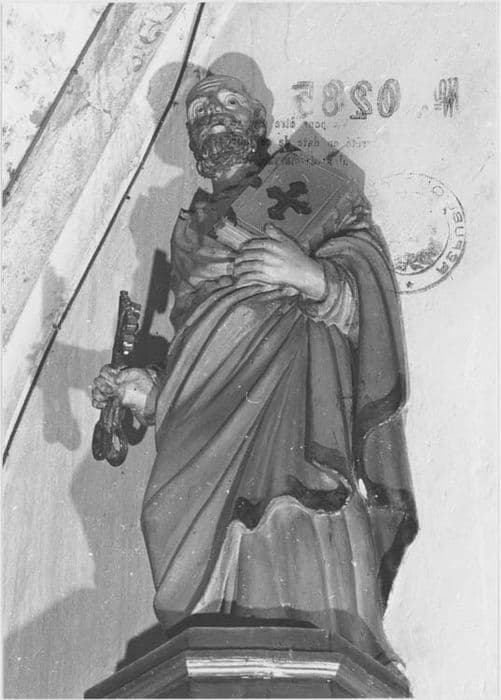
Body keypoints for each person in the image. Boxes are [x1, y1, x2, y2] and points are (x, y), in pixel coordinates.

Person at [92, 73, 417, 667]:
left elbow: (368, 286)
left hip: (294, 394)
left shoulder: (315, 192)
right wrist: (156, 392)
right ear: (192, 137)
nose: (213, 113)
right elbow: (201, 345)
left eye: (229, 102)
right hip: (203, 417)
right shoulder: (189, 232)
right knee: (167, 511)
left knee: (289, 506)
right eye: (199, 110)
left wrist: (310, 276)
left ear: (257, 123)